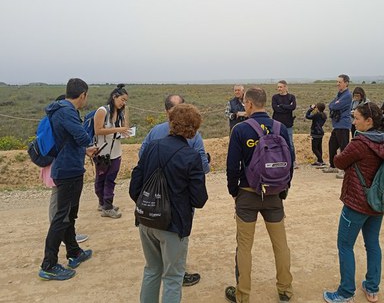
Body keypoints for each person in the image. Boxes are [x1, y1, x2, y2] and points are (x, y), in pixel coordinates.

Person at [323, 103, 384, 303]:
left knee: (345, 245)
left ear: (369, 121)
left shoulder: (360, 142)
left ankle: (345, 292)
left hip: (356, 203)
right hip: (377, 202)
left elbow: (339, 162)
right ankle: (372, 288)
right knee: (372, 244)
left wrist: (337, 155)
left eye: (357, 118)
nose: (353, 121)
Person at [130, 104, 208, 303]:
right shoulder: (191, 157)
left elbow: (134, 186)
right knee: (173, 277)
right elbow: (199, 200)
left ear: (171, 123)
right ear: (194, 128)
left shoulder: (152, 146)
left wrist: (150, 203)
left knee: (152, 270)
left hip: (146, 220)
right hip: (174, 225)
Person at [225, 87, 294, 303]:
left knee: (244, 246)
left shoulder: (240, 129)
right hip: (274, 194)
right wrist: (284, 189)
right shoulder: (280, 127)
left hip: (247, 193)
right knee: (280, 244)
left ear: (249, 104)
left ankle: (243, 295)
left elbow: (232, 166)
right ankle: (285, 290)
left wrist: (234, 191)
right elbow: (291, 161)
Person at [38, 78, 97, 281]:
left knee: (70, 214)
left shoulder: (62, 109)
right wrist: (89, 145)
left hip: (70, 167)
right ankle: (48, 264)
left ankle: (74, 253)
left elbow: (74, 137)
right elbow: (81, 136)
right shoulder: (66, 111)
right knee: (62, 217)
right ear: (83, 95)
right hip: (67, 170)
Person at [40, 94, 88, 243]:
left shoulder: (52, 115)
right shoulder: (65, 114)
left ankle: (68, 240)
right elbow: (82, 138)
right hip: (62, 163)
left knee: (59, 202)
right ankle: (58, 235)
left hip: (55, 160)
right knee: (61, 207)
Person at [93, 84, 130, 219]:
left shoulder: (119, 113)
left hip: (116, 152)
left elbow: (119, 129)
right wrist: (118, 130)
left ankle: (106, 204)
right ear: (114, 97)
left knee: (111, 179)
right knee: (101, 178)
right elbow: (98, 130)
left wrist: (123, 131)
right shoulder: (102, 111)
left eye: (125, 101)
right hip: (102, 152)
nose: (123, 103)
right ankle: (104, 204)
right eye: (122, 99)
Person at [324, 74, 352, 179]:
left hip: (343, 125)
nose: (337, 84)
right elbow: (331, 104)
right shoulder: (340, 94)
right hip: (336, 125)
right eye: (337, 82)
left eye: (339, 82)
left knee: (343, 148)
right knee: (332, 145)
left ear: (346, 83)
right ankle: (333, 165)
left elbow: (335, 106)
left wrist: (334, 105)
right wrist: (333, 105)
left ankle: (344, 170)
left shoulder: (347, 95)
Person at [272, 80, 297, 167]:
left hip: (288, 124)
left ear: (285, 87)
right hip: (277, 124)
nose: (279, 89)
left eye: (281, 87)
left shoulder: (291, 97)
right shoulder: (275, 97)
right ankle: (278, 160)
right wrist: (287, 107)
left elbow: (293, 107)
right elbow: (275, 108)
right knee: (276, 142)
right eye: (278, 87)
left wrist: (282, 106)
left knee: (290, 143)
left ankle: (292, 161)